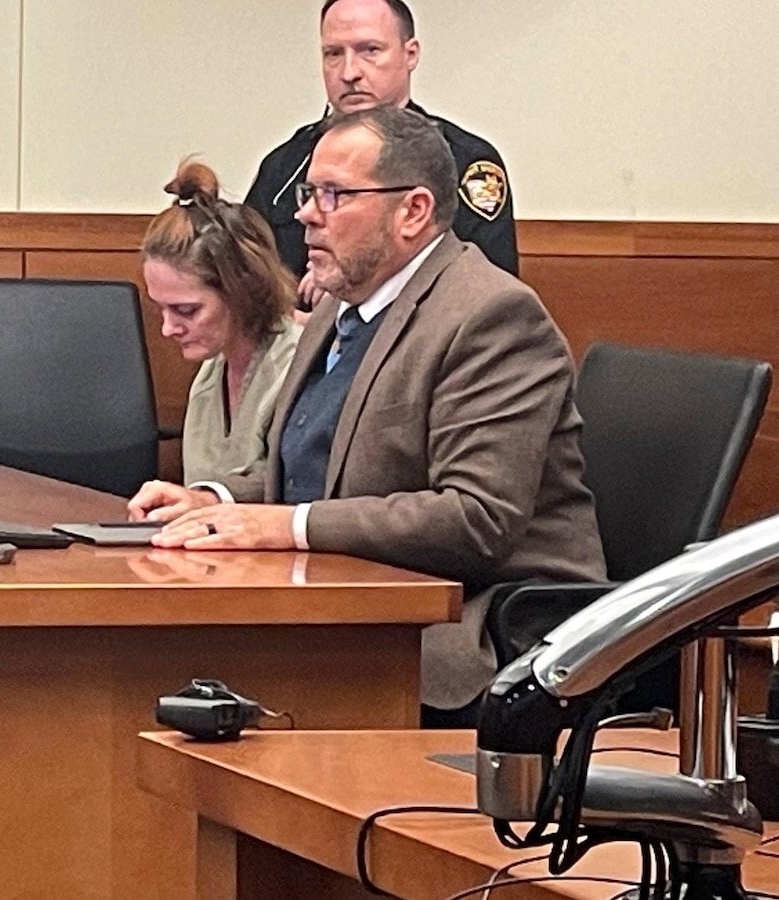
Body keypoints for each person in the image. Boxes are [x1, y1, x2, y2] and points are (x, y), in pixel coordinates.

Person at [128, 106, 603, 720]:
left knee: (195, 672)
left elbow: (477, 518)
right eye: (307, 193)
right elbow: (326, 473)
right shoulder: (340, 307)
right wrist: (215, 500)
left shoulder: (491, 316)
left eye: (333, 194)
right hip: (353, 603)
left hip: (473, 632)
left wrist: (285, 526)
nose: (306, 213)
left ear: (413, 211)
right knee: (163, 662)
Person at [244, 0, 518, 318]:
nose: (349, 72)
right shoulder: (286, 166)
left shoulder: (464, 162)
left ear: (410, 54)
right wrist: (292, 324)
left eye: (370, 50)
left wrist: (347, 293)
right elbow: (242, 279)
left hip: (415, 342)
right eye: (334, 54)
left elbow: (488, 297)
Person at [140, 158, 301, 491]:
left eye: (186, 310)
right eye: (161, 310)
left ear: (241, 290)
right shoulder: (211, 373)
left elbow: (291, 490)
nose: (168, 329)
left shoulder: (300, 369)